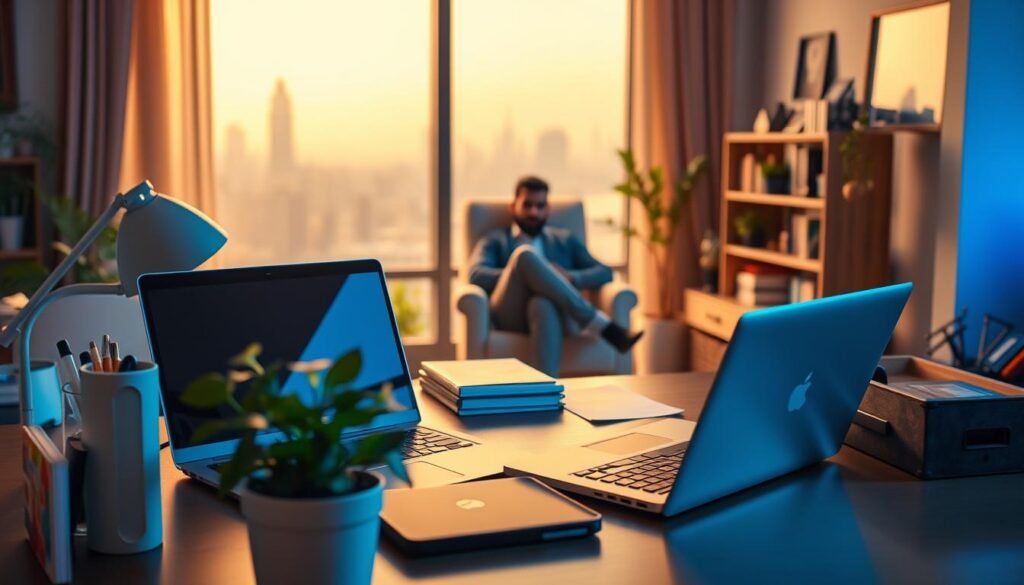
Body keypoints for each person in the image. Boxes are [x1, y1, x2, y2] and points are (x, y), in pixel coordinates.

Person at [467, 176, 643, 376]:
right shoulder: (496, 239)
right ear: (513, 206)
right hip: (511, 315)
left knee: (542, 303)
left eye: (540, 206)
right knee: (524, 255)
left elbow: (604, 272)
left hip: (559, 316)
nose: (534, 212)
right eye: (527, 205)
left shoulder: (564, 240)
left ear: (547, 209)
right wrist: (522, 273)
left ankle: (545, 396)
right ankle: (599, 324)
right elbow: (475, 274)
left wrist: (572, 277)